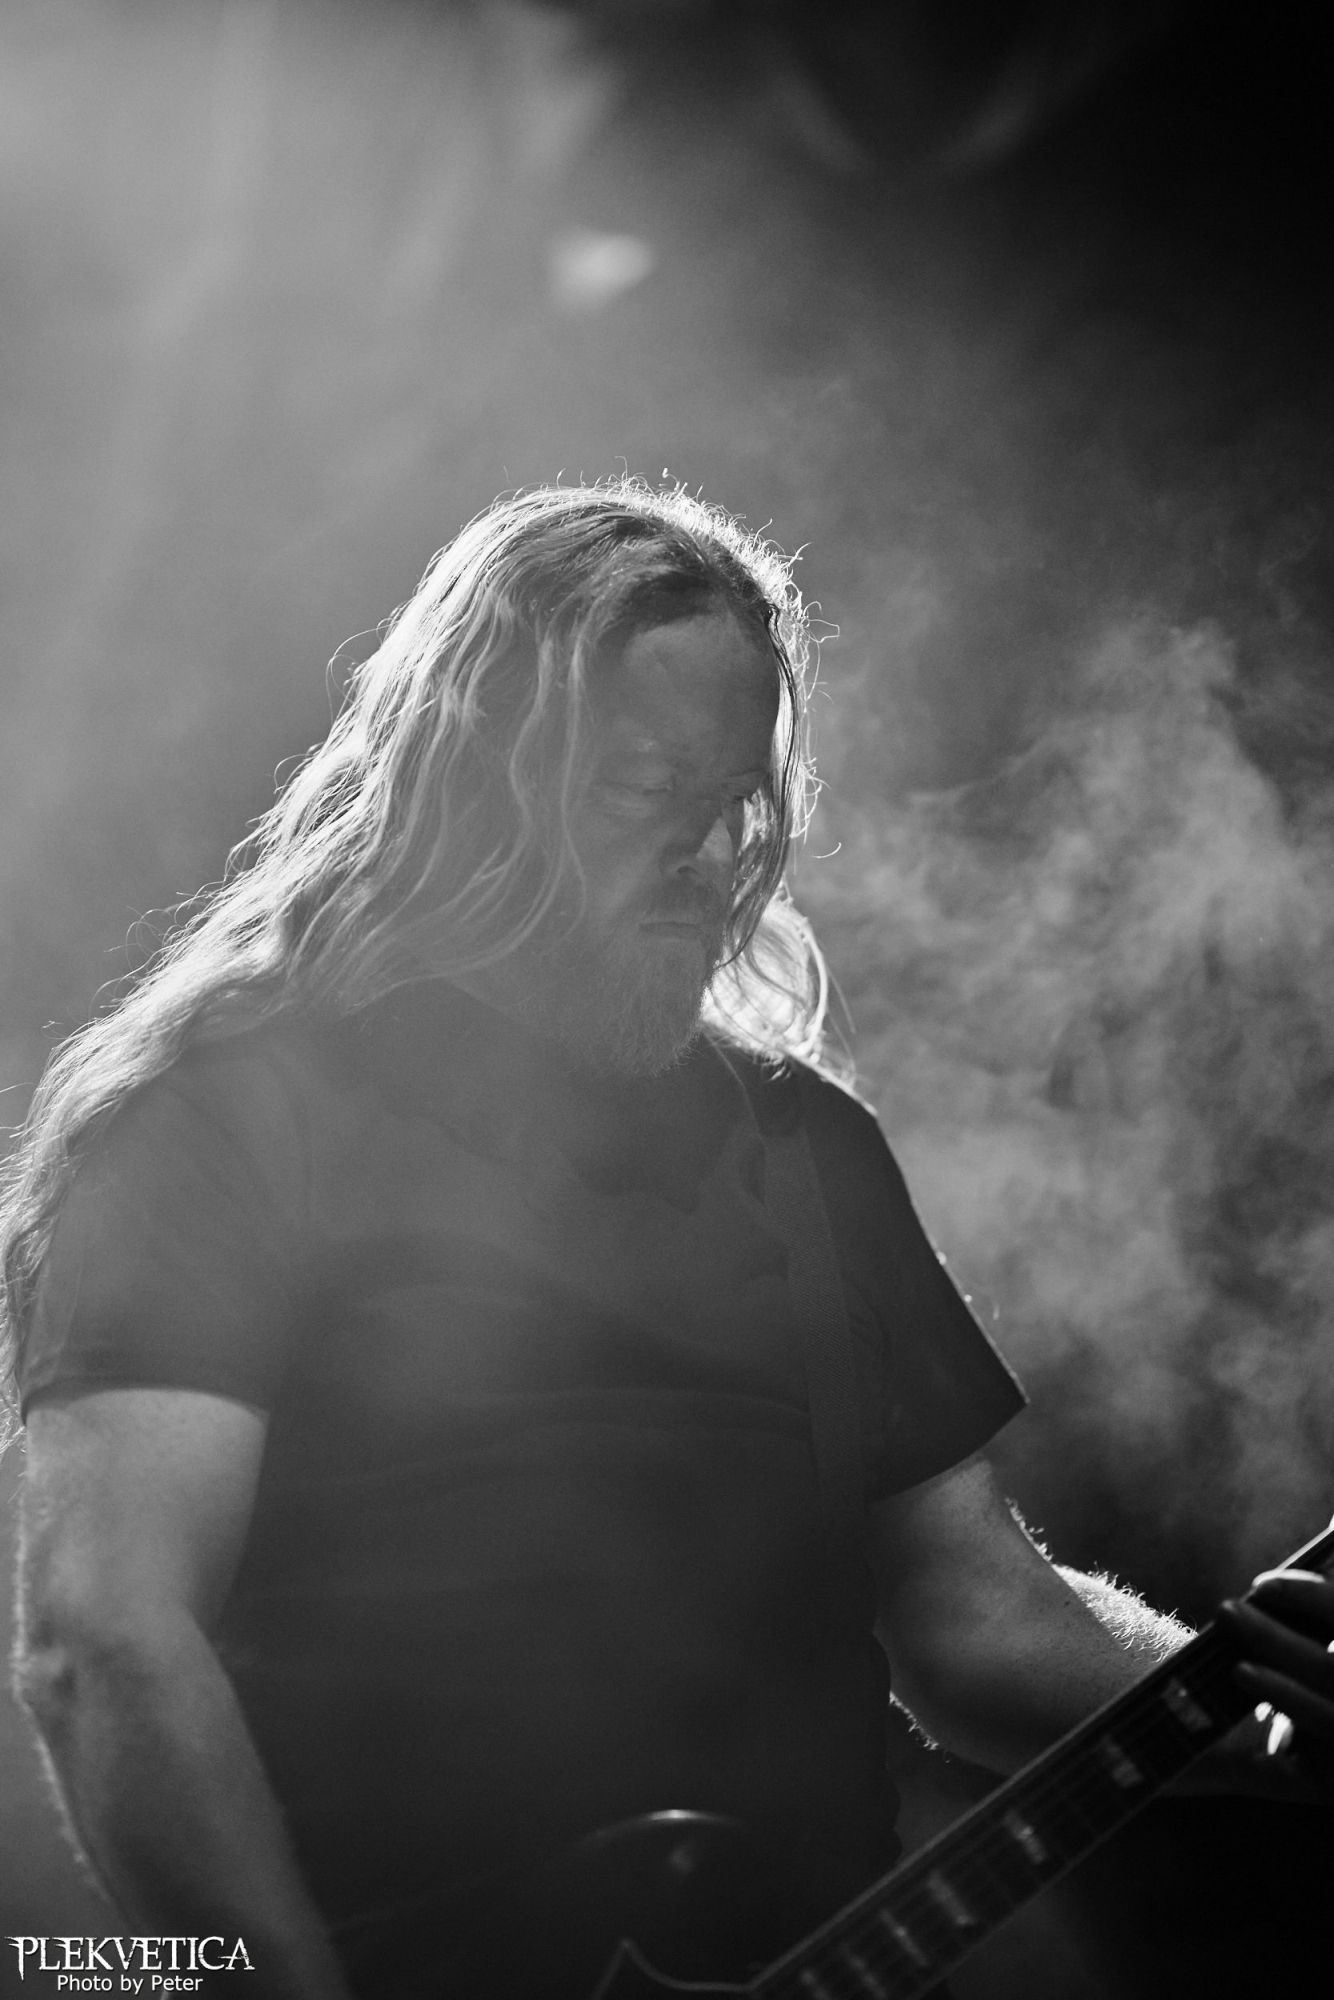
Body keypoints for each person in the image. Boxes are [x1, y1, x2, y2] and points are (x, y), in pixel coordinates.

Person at [2, 481, 1331, 1999]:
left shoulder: (804, 1149)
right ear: (479, 782)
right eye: (647, 789)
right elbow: (104, 1643)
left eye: (739, 798)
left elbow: (975, 1618)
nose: (712, 851)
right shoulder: (224, 1125)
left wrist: (1264, 1716)